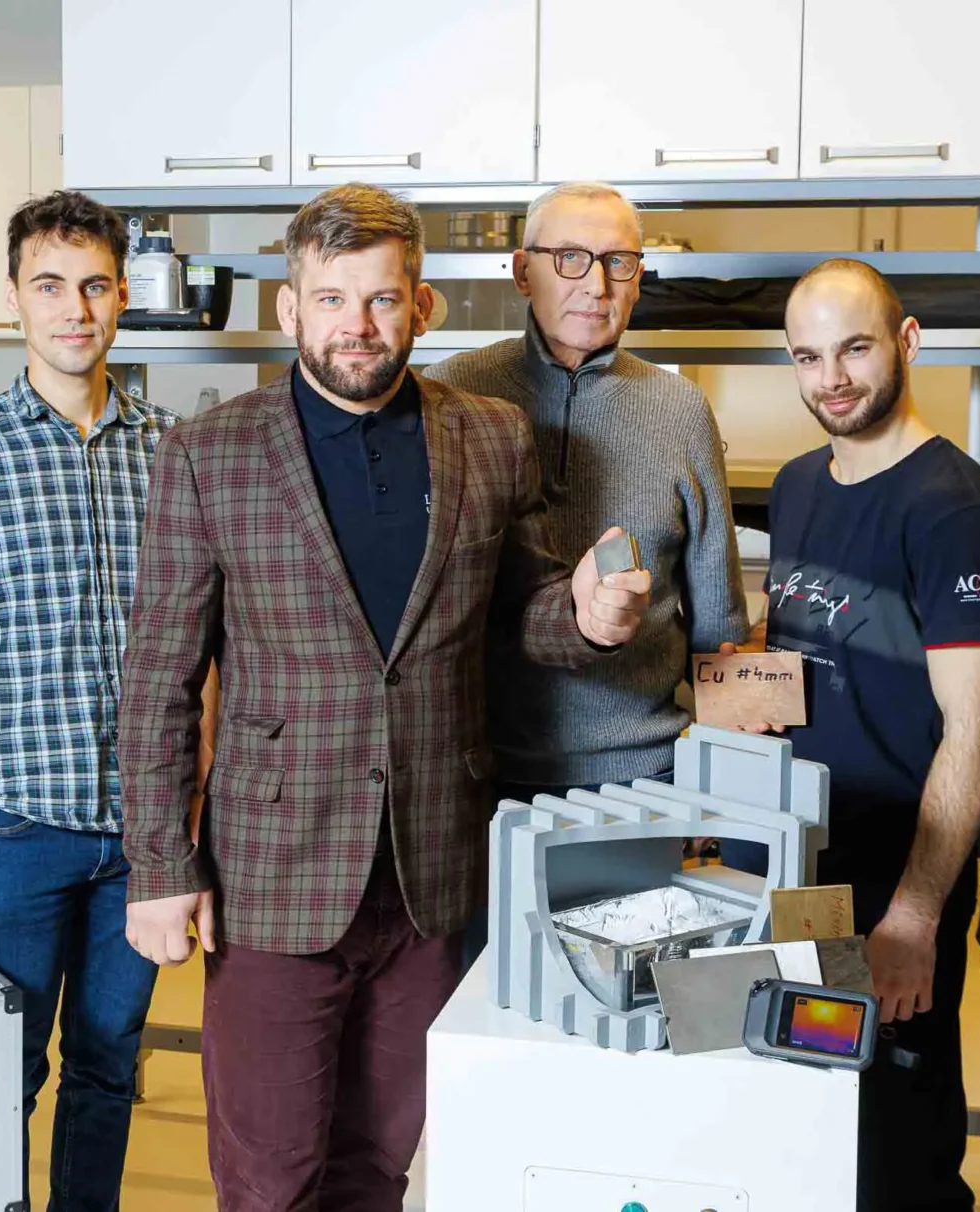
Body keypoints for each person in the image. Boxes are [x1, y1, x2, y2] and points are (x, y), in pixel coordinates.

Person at [117, 182, 651, 1212]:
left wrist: (588, 615)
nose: (356, 325)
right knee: (270, 1178)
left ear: (422, 305)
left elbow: (525, 616)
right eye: (331, 299)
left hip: (431, 874)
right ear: (289, 307)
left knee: (382, 1167)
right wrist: (158, 865)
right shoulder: (208, 454)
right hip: (273, 879)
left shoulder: (491, 437)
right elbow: (159, 677)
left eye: (381, 299)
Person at [0, 189, 180, 1211]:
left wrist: (194, 805)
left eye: (95, 285)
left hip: (141, 832)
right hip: (11, 829)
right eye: (49, 285)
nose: (74, 309)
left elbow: (204, 649)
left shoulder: (174, 450)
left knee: (109, 1063)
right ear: (13, 297)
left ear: (123, 296)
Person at [757, 259, 980, 1211]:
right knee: (809, 1121)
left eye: (855, 349)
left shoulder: (953, 508)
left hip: (896, 878)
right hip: (804, 869)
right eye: (808, 356)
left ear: (907, 342)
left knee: (896, 1145)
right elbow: (806, 664)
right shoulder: (797, 484)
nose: (831, 378)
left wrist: (913, 917)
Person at [425, 181, 746, 804]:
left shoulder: (681, 410)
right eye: (570, 257)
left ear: (638, 277)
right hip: (475, 773)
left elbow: (720, 625)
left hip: (644, 776)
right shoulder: (450, 393)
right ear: (522, 272)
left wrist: (719, 789)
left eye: (618, 261)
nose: (597, 285)